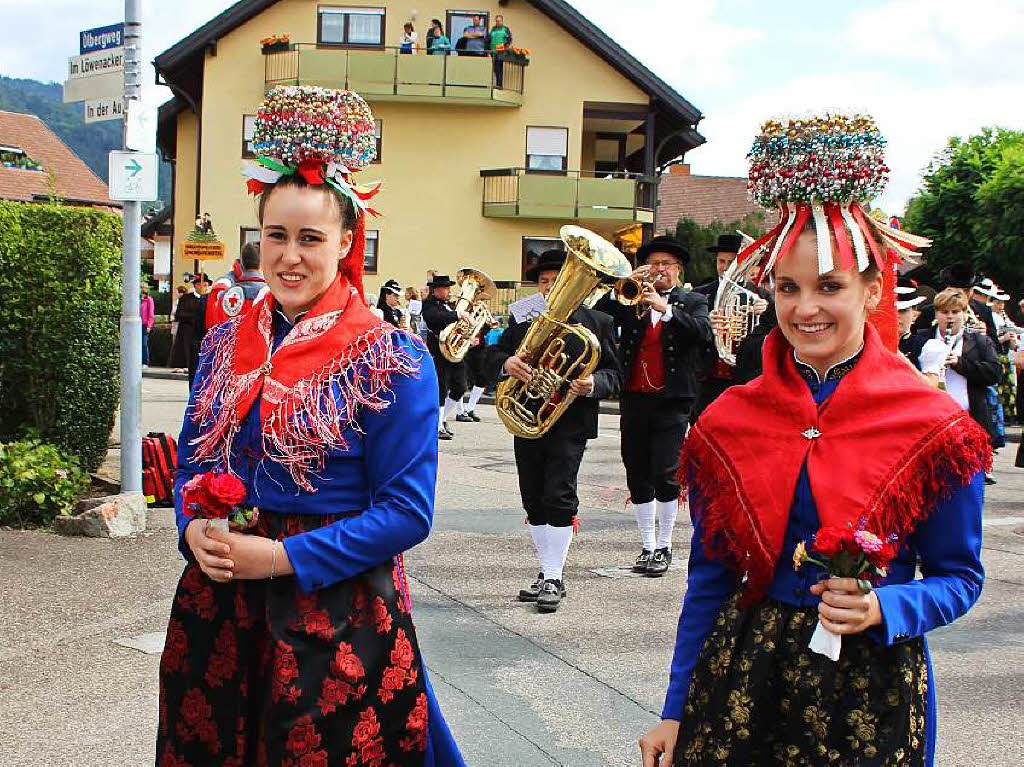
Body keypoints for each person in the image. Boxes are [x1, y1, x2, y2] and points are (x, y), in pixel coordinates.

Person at [640, 113, 989, 767]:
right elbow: (710, 581)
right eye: (787, 286)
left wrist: (887, 604)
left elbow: (959, 578)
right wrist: (676, 707)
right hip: (748, 676)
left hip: (872, 685)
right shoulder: (730, 420)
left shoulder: (933, 427)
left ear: (872, 288)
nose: (805, 308)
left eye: (830, 286)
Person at [159, 85, 464, 767]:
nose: (289, 256)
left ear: (348, 241)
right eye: (275, 236)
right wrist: (190, 526)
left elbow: (406, 514)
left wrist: (282, 558)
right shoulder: (222, 342)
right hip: (219, 608)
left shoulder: (392, 357)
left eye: (310, 238)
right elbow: (190, 466)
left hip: (336, 609)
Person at [487, 249, 622, 612]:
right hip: (527, 417)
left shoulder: (597, 323)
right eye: (545, 282)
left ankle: (554, 576)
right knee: (533, 496)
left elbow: (616, 374)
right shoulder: (521, 322)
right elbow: (489, 357)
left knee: (558, 495)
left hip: (569, 421)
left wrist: (594, 382)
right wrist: (506, 363)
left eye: (556, 280)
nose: (550, 287)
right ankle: (545, 570)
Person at [594, 236, 712, 577]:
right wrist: (624, 281)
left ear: (678, 270)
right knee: (637, 471)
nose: (659, 270)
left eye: (666, 265)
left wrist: (666, 309)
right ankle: (646, 545)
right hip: (634, 397)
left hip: (673, 400)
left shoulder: (693, 300)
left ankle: (664, 545)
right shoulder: (630, 297)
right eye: (654, 264)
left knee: (666, 472)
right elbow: (598, 314)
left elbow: (703, 334)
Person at [906, 288, 1002, 482]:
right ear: (936, 314)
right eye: (945, 312)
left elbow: (993, 373)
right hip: (930, 421)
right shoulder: (922, 340)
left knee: (967, 481)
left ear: (965, 314)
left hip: (969, 417)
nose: (950, 317)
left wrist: (960, 363)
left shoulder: (980, 341)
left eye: (956, 312)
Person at [691, 233, 770, 419]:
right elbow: (689, 332)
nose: (726, 268)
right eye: (721, 261)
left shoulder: (761, 296)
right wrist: (705, 322)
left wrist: (766, 311)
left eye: (732, 262)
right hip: (707, 379)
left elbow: (777, 332)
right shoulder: (699, 294)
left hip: (743, 379)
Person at [195, 242, 269, 352]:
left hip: (227, 361)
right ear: (263, 263)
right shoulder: (270, 295)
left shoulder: (221, 296)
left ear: (241, 264)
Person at [421, 274, 467, 440]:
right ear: (436, 290)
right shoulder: (428, 305)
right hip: (439, 352)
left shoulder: (449, 305)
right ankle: (437, 425)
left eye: (449, 288)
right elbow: (434, 318)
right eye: (445, 288)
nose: (448, 291)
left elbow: (458, 326)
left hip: (454, 352)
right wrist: (457, 315)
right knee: (441, 389)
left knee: (460, 387)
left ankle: (442, 418)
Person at [912, 262, 999, 346]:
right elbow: (916, 342)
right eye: (956, 290)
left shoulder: (983, 309)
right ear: (947, 289)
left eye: (966, 291)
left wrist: (985, 336)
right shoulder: (929, 311)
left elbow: (997, 348)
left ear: (972, 290)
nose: (961, 295)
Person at [169, 273, 208, 386]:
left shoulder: (208, 299)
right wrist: (195, 317)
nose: (204, 287)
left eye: (206, 285)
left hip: (204, 337)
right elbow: (179, 315)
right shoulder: (186, 299)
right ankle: (192, 390)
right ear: (196, 285)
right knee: (193, 366)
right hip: (189, 338)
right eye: (202, 285)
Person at [896, 275, 926, 358]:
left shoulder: (925, 347)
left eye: (902, 310)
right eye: (890, 310)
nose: (896, 315)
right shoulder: (867, 345)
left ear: (914, 314)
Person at [487, 14, 512, 87]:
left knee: (499, 67)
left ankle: (499, 84)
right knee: (495, 68)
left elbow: (509, 39)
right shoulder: (493, 29)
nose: (498, 22)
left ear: (502, 21)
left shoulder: (505, 29)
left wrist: (505, 47)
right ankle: (497, 84)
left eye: (499, 21)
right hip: (493, 51)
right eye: (497, 21)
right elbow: (488, 39)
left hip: (501, 51)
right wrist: (488, 49)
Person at [140, 283, 155, 369]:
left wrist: (149, 325)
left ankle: (145, 362)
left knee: (144, 344)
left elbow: (151, 314)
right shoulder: (137, 299)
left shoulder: (149, 300)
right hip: (136, 325)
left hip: (144, 325)